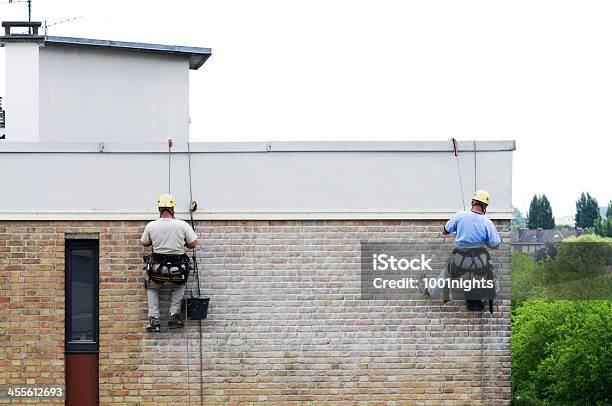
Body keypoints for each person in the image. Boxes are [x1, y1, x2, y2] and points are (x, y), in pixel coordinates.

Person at [422, 190, 501, 301]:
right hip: (479, 263)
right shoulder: (487, 222)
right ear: (485, 207)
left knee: (445, 273)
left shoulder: (460, 215)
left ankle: (432, 293)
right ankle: (490, 296)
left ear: (472, 203)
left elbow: (445, 231)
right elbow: (495, 245)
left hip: (459, 261)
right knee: (493, 275)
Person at [141, 194, 198, 332]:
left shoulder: (152, 225)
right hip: (177, 270)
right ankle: (174, 316)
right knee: (179, 285)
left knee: (153, 288)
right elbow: (193, 244)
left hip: (157, 270)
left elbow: (144, 242)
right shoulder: (182, 225)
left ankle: (154, 321)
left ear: (159, 208)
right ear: (172, 208)